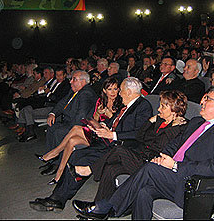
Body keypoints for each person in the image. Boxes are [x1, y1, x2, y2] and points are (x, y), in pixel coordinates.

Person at [74, 86, 214, 220]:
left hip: (194, 185)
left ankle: (107, 207)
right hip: (171, 175)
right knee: (144, 192)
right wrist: (162, 158)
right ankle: (107, 207)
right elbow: (175, 144)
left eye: (207, 99)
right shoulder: (197, 122)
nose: (201, 101)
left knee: (149, 170)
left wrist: (176, 165)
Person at [29, 77, 153, 212]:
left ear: (129, 92)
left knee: (82, 159)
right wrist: (103, 126)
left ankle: (56, 199)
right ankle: (57, 198)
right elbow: (114, 121)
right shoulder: (126, 106)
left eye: (121, 90)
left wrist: (113, 135)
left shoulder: (143, 106)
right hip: (107, 143)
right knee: (76, 155)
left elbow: (140, 133)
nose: (119, 93)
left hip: (121, 147)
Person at [71, 90, 188, 203]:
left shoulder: (181, 127)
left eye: (163, 107)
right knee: (110, 169)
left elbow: (161, 147)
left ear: (174, 109)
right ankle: (98, 208)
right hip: (139, 155)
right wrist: (150, 121)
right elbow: (139, 136)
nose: (158, 109)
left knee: (119, 150)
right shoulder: (158, 120)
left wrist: (172, 127)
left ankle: (89, 169)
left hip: (150, 164)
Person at [35, 77, 122, 184]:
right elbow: (94, 119)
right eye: (110, 89)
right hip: (95, 133)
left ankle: (55, 152)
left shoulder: (120, 104)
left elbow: (117, 126)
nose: (113, 92)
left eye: (115, 89)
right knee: (72, 141)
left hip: (106, 139)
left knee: (76, 128)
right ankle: (59, 175)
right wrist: (99, 113)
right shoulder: (101, 101)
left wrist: (109, 114)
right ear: (104, 90)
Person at [39, 70, 98, 176]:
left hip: (80, 126)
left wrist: (67, 127)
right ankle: (51, 160)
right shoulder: (74, 91)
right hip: (68, 121)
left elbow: (81, 116)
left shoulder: (86, 93)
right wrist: (53, 113)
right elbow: (61, 103)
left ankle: (57, 165)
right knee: (52, 128)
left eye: (74, 79)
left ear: (83, 81)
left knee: (59, 132)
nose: (70, 81)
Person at [16, 67, 71, 142]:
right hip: (46, 103)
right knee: (26, 107)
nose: (58, 77)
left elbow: (58, 99)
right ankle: (26, 129)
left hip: (53, 107)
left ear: (64, 75)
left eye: (60, 75)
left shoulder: (66, 85)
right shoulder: (56, 82)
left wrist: (48, 93)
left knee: (27, 110)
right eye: (57, 75)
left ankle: (30, 132)